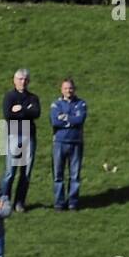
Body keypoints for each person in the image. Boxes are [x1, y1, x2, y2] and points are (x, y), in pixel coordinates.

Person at [0, 68, 41, 213]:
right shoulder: (9, 96)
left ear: (28, 81)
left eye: (25, 79)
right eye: (20, 79)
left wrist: (21, 109)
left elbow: (36, 113)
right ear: (14, 80)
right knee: (10, 172)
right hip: (14, 136)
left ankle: (19, 202)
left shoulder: (33, 97)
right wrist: (26, 111)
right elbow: (8, 114)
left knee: (26, 172)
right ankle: (4, 202)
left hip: (29, 137)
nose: (22, 82)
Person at [49, 77, 87, 211]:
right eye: (65, 88)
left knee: (75, 175)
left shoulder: (81, 103)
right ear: (61, 90)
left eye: (70, 88)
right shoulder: (56, 104)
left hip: (76, 142)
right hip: (59, 143)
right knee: (58, 175)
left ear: (74, 89)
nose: (68, 91)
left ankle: (73, 202)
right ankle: (59, 202)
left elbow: (80, 120)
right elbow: (55, 121)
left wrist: (65, 118)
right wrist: (71, 121)